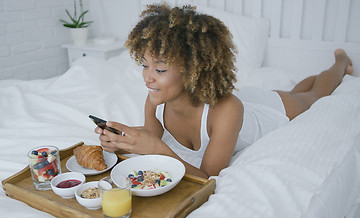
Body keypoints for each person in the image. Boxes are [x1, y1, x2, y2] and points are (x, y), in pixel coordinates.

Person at [95, 4, 353, 179]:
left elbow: (209, 178)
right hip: (238, 105)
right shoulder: (155, 101)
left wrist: (157, 149)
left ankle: (340, 62)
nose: (147, 77)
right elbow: (150, 138)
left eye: (160, 70)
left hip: (260, 114)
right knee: (295, 91)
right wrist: (119, 140)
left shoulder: (228, 109)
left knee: (312, 98)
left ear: (192, 69)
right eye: (144, 65)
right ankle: (310, 80)